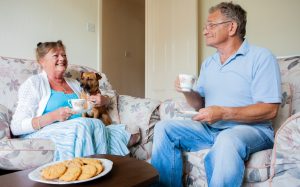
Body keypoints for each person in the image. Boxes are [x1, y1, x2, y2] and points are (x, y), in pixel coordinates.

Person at [151, 2, 281, 187]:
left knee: (227, 139)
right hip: (211, 129)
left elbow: (270, 110)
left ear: (231, 27)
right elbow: (200, 104)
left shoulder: (261, 57)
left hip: (253, 130)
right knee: (163, 128)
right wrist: (188, 91)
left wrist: (223, 113)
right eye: (206, 26)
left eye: (211, 25)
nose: (205, 31)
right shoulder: (208, 63)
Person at [10, 40, 131, 161]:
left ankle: (102, 170)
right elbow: (16, 127)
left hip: (83, 127)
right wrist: (53, 116)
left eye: (64, 55)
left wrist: (104, 100)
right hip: (48, 130)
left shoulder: (75, 83)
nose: (62, 58)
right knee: (86, 124)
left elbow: (95, 99)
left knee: (99, 125)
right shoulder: (34, 84)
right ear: (42, 61)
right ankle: (84, 171)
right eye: (56, 55)